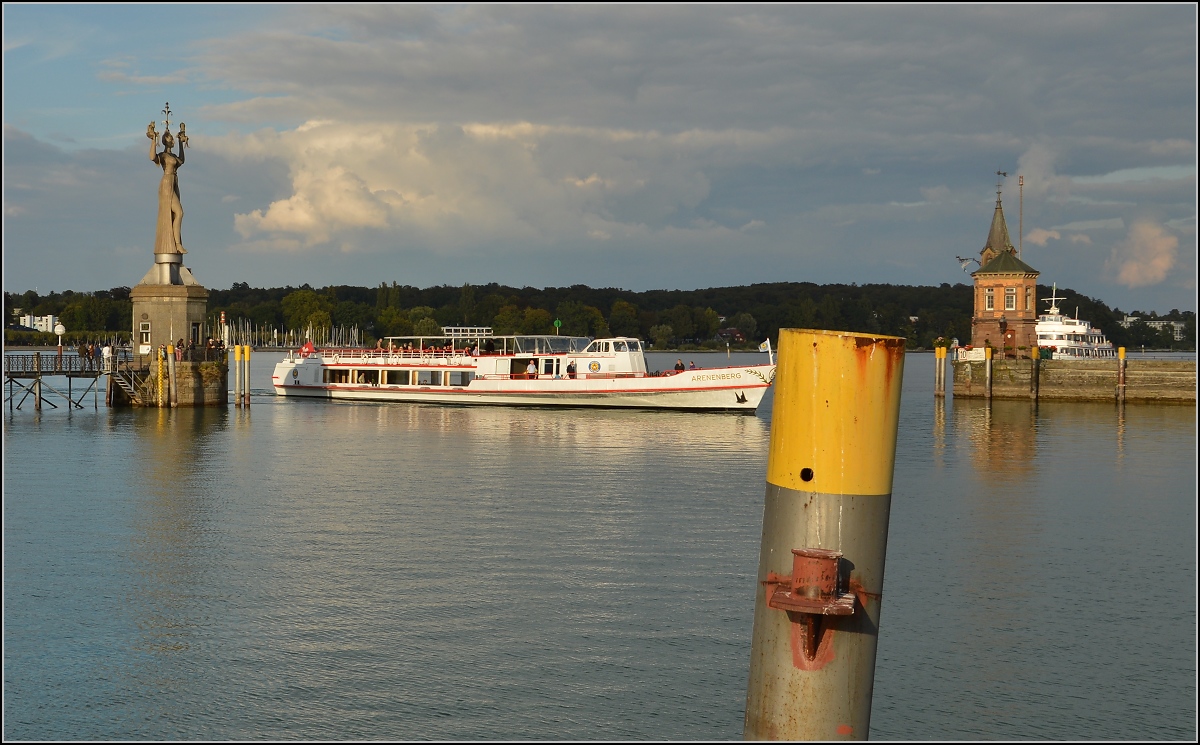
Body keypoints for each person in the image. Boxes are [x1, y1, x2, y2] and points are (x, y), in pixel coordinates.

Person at [148, 121, 187, 255]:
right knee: (179, 212)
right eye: (170, 137)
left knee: (175, 214)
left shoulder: (173, 156)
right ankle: (177, 244)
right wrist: (153, 140)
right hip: (166, 183)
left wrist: (181, 142)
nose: (172, 139)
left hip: (174, 182)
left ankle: (176, 243)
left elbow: (181, 160)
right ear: (165, 141)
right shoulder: (163, 156)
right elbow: (152, 157)